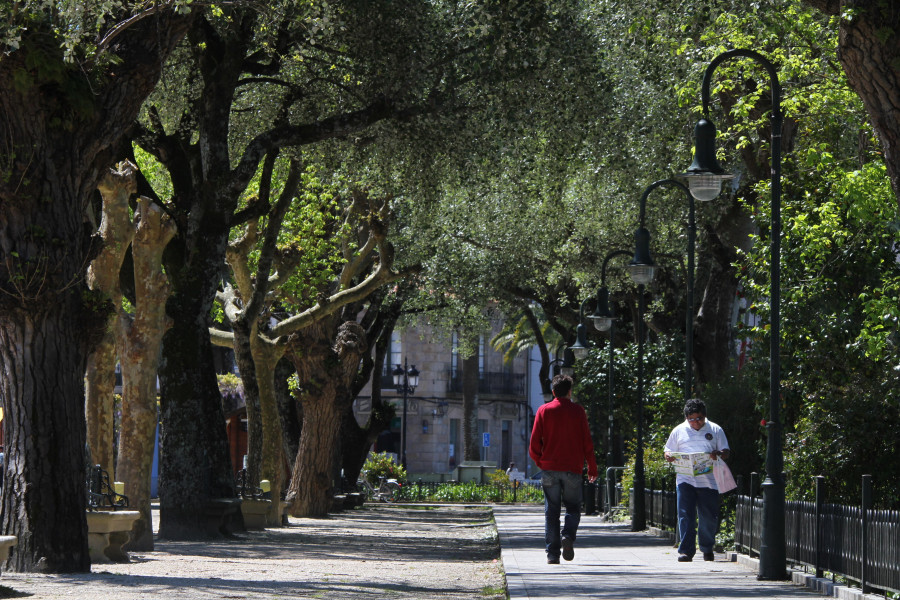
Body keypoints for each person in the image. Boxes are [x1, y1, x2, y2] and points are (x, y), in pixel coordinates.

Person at [529, 373, 598, 564]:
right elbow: (587, 442)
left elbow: (534, 442)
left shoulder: (544, 411)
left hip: (550, 468)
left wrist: (540, 462)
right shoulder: (578, 412)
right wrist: (592, 467)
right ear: (570, 391)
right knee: (573, 507)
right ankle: (567, 535)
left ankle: (552, 554)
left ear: (553, 392)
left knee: (551, 511)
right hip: (573, 469)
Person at [664, 397, 730, 562]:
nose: (695, 423)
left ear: (704, 416)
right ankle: (686, 551)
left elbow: (726, 451)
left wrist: (719, 454)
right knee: (685, 515)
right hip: (685, 480)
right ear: (686, 418)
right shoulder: (679, 430)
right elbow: (668, 451)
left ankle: (707, 548)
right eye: (691, 419)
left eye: (698, 418)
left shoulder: (715, 429)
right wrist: (669, 456)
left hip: (709, 481)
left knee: (708, 516)